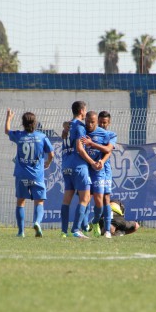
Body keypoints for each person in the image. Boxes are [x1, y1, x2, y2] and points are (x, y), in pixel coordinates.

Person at [5, 108, 54, 237]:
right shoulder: (42, 137)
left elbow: (7, 131)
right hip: (37, 175)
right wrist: (48, 162)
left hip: (21, 174)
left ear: (23, 123)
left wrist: (9, 117)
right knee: (39, 201)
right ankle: (37, 222)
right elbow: (52, 154)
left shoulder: (19, 135)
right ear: (35, 123)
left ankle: (21, 232)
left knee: (21, 201)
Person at [60, 101, 98, 239]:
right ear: (82, 111)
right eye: (85, 110)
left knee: (67, 199)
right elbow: (80, 148)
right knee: (85, 198)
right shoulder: (80, 127)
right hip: (78, 166)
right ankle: (76, 230)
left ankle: (64, 232)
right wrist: (92, 162)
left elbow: (64, 136)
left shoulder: (68, 125)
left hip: (66, 165)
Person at [83, 110, 117, 238]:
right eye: (100, 122)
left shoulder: (111, 135)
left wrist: (101, 161)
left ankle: (106, 229)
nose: (102, 125)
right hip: (88, 167)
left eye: (105, 123)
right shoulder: (87, 130)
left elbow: (108, 150)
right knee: (87, 196)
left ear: (109, 122)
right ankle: (85, 226)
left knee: (106, 197)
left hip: (104, 169)